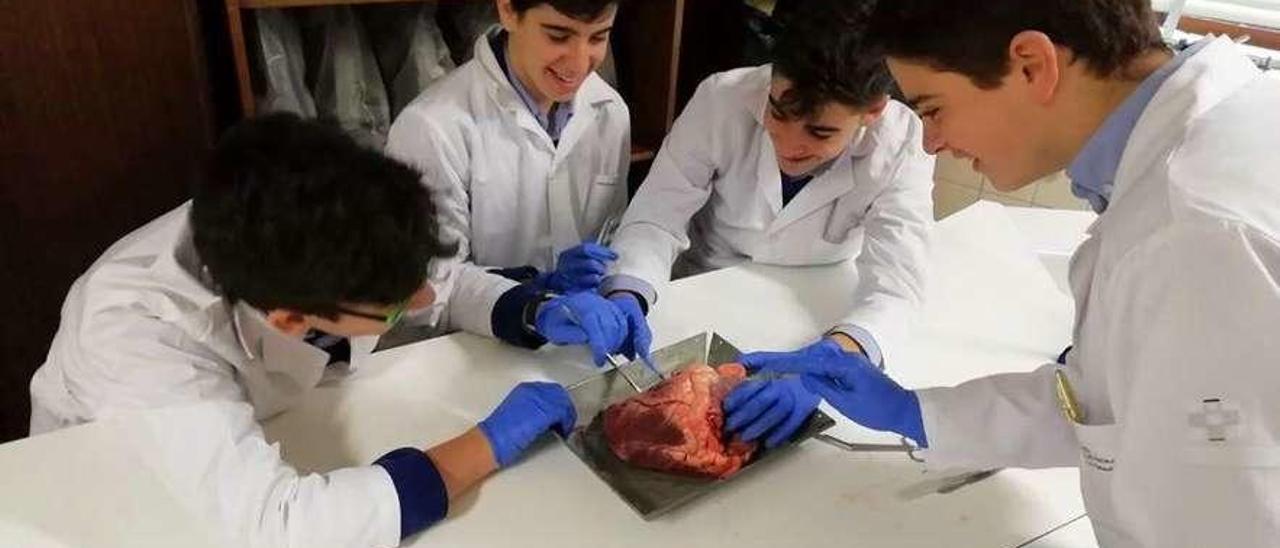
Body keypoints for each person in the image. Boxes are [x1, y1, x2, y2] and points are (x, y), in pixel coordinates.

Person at [736, 1, 1280, 545]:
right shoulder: (1215, 140)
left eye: (931, 108)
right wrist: (914, 413)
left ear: (1031, 65)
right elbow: (1112, 401)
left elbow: (1226, 519)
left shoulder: (1198, 236)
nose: (931, 142)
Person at [28, 114, 578, 546]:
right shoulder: (140, 338)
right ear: (291, 319)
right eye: (390, 309)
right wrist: (486, 443)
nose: (426, 299)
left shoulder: (320, 213)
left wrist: (527, 310)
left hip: (285, 424)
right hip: (120, 500)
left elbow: (436, 285)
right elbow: (283, 529)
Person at [602, 0, 934, 449]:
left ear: (872, 111)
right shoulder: (721, 98)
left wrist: (832, 360)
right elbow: (656, 216)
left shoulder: (902, 141)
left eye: (819, 132)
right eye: (777, 111)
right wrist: (629, 288)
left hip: (813, 307)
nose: (789, 144)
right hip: (705, 288)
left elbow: (897, 288)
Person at [385, 0, 650, 367]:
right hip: (463, 359)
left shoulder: (610, 111)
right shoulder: (432, 127)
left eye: (598, 38)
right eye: (558, 35)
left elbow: (610, 232)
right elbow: (427, 291)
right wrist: (534, 303)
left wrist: (619, 285)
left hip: (570, 355)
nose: (578, 62)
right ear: (508, 10)